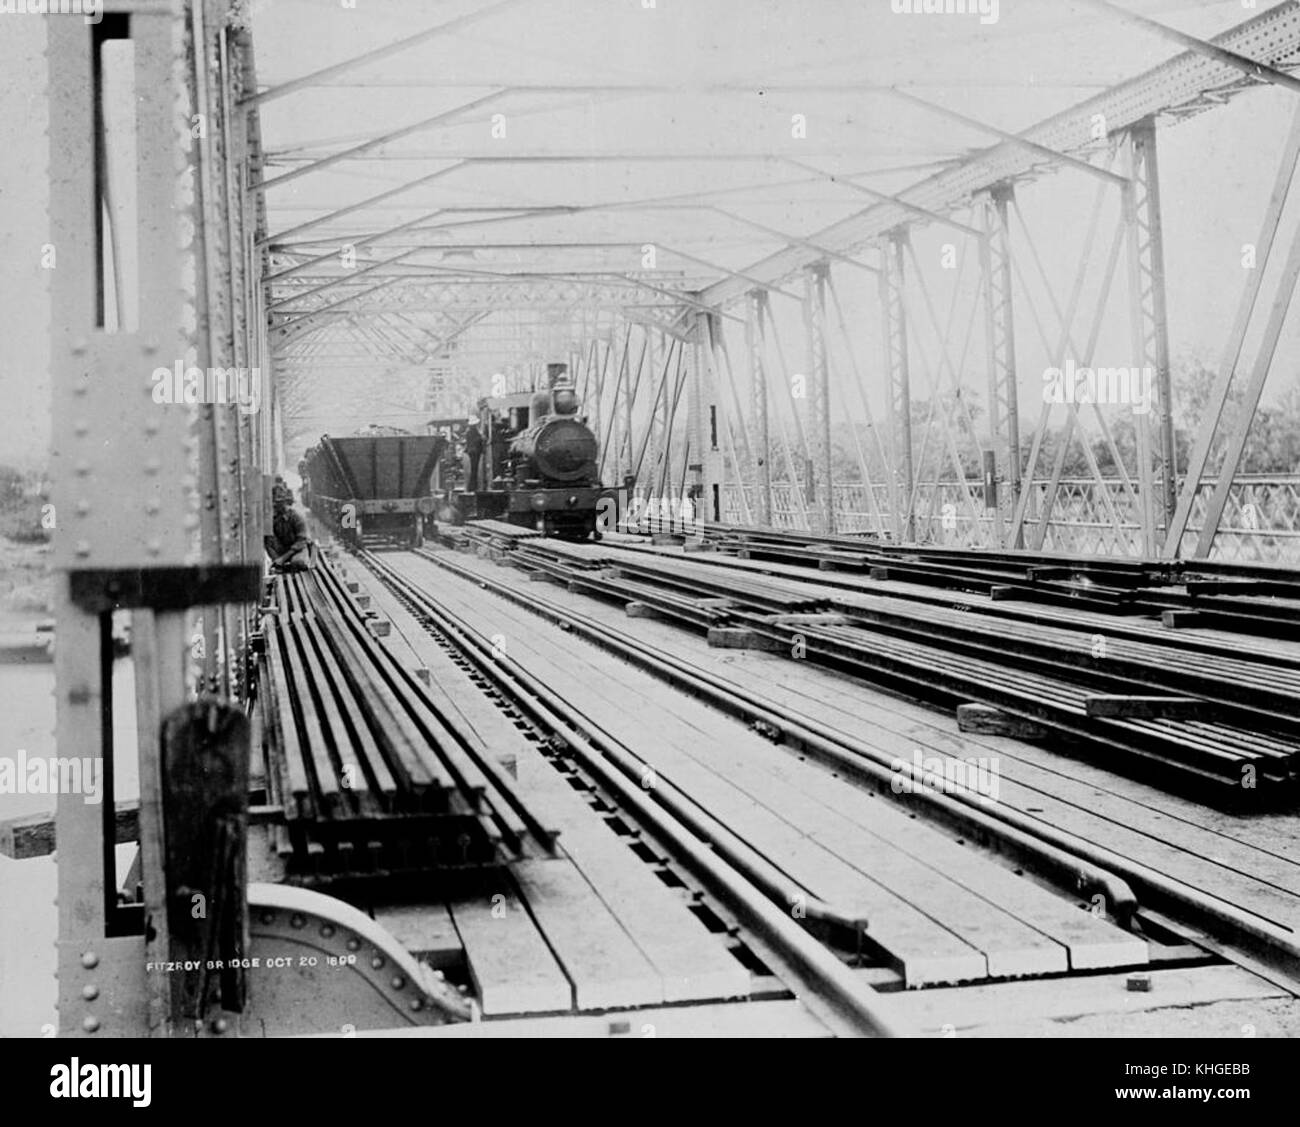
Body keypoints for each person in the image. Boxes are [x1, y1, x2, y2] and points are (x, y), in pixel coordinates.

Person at [264, 481, 313, 572]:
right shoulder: (273, 519)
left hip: (297, 551)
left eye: (278, 502)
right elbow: (268, 542)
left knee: (298, 562)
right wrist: (276, 560)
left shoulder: (297, 517)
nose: (275, 505)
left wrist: (283, 559)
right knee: (268, 538)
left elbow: (301, 542)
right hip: (282, 550)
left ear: (285, 502)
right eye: (274, 503)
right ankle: (281, 566)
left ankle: (286, 566)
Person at [464, 418, 483, 492]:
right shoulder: (474, 432)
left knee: (473, 469)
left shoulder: (469, 432)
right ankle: (473, 486)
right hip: (475, 452)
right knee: (474, 469)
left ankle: (472, 486)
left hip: (471, 452)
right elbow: (478, 441)